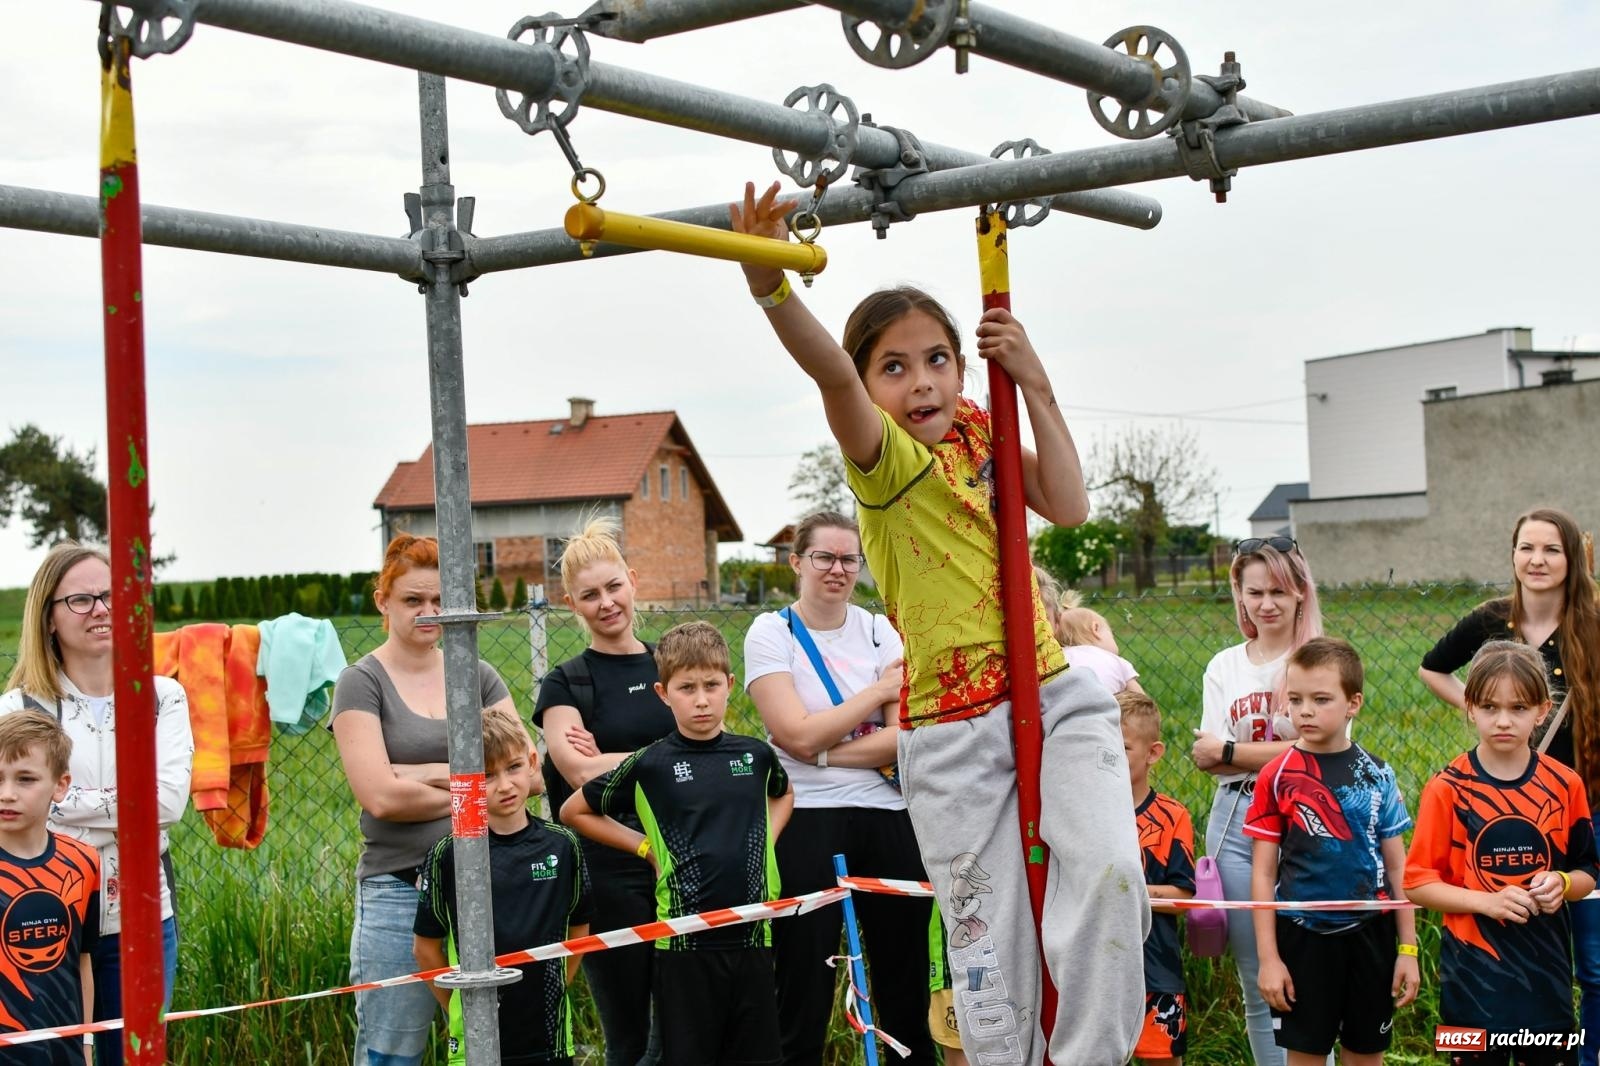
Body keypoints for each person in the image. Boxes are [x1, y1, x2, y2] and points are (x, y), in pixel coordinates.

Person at [731, 181, 1148, 1066]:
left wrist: (1031, 382)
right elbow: (830, 371)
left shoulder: (982, 426)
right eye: (894, 366)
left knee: (1111, 873)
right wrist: (771, 284)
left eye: (935, 359)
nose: (919, 381)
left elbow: (1068, 505)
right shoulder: (886, 461)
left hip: (1051, 686)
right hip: (954, 726)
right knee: (987, 929)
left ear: (963, 366)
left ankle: (1088, 1059)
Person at [744, 509, 933, 1066]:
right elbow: (789, 732)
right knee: (802, 985)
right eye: (824, 557)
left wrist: (821, 748)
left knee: (903, 983)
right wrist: (875, 694)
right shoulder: (770, 631)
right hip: (807, 818)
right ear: (797, 562)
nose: (838, 569)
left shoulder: (881, 629)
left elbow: (901, 741)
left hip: (888, 815)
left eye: (849, 559)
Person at [561, 621, 794, 1066]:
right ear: (663, 693)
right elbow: (574, 811)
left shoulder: (755, 756)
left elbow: (784, 795)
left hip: (754, 940)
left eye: (711, 685)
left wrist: (767, 840)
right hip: (684, 947)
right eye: (687, 688)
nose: (702, 699)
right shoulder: (651, 764)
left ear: (730, 685)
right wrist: (645, 849)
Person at [1418, 507, 1600, 1065]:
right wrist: (1494, 717)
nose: (1537, 560)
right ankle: (1487, 1048)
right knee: (1502, 930)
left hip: (1579, 803)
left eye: (1552, 549)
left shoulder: (1592, 624)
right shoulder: (1492, 619)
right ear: (1513, 554)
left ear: (1573, 560)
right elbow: (1432, 669)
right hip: (1498, 802)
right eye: (1527, 548)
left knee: (1592, 965)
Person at [0, 542, 192, 1066]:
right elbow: (15, 801)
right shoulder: (18, 707)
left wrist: (61, 801)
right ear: (48, 618)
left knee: (136, 1058)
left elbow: (169, 802)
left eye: (110, 596)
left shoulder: (162, 696)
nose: (102, 610)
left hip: (144, 911)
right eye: (81, 600)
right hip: (46, 916)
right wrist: (129, 806)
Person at [331, 533, 517, 1066]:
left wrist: (423, 773)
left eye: (439, 601)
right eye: (413, 600)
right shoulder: (360, 683)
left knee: (495, 1043)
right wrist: (474, 781)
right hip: (399, 890)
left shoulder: (477, 676)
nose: (428, 612)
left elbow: (525, 777)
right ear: (383, 601)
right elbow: (381, 797)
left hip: (485, 881)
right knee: (392, 1054)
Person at [533, 517, 674, 1066]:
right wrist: (669, 754)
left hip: (682, 861)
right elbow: (576, 773)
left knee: (685, 1028)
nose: (607, 603)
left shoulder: (672, 659)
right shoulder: (567, 683)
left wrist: (613, 760)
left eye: (614, 586)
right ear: (572, 604)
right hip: (606, 869)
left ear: (633, 580)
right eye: (590, 595)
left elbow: (707, 749)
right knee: (630, 1038)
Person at [1243, 638, 1419, 1066]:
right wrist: (1269, 959)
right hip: (1303, 939)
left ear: (1352, 703)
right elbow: (1264, 874)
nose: (1305, 711)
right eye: (1296, 699)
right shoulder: (1275, 775)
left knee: (1365, 1055)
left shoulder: (1377, 773)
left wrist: (1408, 950)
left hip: (1372, 936)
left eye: (1321, 700)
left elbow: (1399, 867)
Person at [1188, 536, 1322, 1066]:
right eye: (1254, 592)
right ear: (1239, 598)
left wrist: (1231, 749)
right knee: (1259, 976)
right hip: (1237, 821)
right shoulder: (1225, 665)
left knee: (1312, 971)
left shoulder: (1318, 659)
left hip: (1308, 820)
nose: (1267, 604)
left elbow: (1319, 751)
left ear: (1299, 595)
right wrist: (1258, 751)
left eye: (1279, 592)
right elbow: (1206, 758)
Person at [414, 705, 591, 1065]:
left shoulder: (563, 845)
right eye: (487, 775)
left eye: (512, 767)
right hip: (476, 1043)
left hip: (549, 1038)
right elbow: (426, 950)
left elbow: (580, 928)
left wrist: (555, 986)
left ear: (531, 763)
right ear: (465, 782)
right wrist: (463, 1010)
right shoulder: (449, 855)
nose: (505, 785)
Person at [0, 710, 101, 1065]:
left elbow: (83, 961)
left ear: (60, 785)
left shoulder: (84, 863)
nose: (7, 794)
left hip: (64, 1052)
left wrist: (86, 1045)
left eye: (25, 779)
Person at [1118, 690, 1195, 1066]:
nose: (1113, 755)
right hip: (1098, 971)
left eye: (1125, 747)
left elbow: (1183, 895)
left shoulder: (1172, 816)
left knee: (1161, 1059)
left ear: (1153, 753)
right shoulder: (1083, 813)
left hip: (1157, 969)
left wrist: (1130, 891)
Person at [1056, 589, 1143, 695]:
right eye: (1111, 634)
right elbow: (1145, 704)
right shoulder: (1117, 662)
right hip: (1108, 711)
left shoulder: (1055, 661)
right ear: (1095, 629)